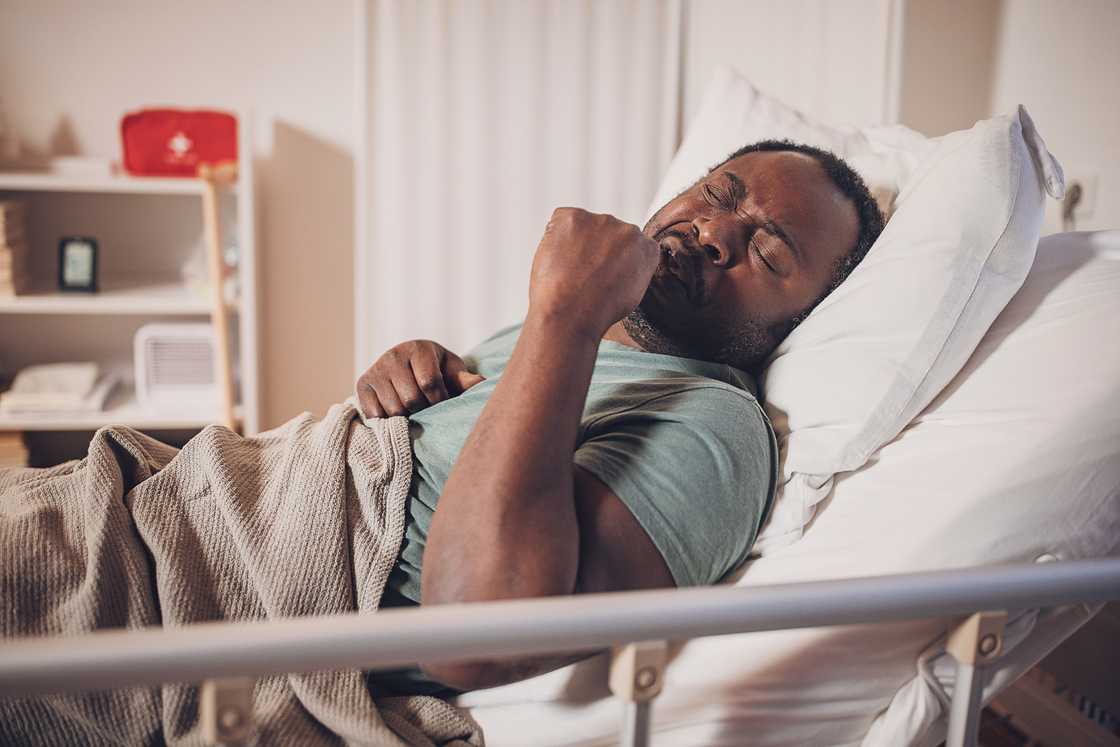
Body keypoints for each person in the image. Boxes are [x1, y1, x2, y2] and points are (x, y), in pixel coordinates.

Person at [355, 140, 885, 693]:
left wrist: (565, 314)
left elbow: (474, 643)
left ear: (795, 324)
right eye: (714, 195)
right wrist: (407, 377)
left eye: (769, 254)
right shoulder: (557, 337)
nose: (714, 232)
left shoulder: (719, 428)